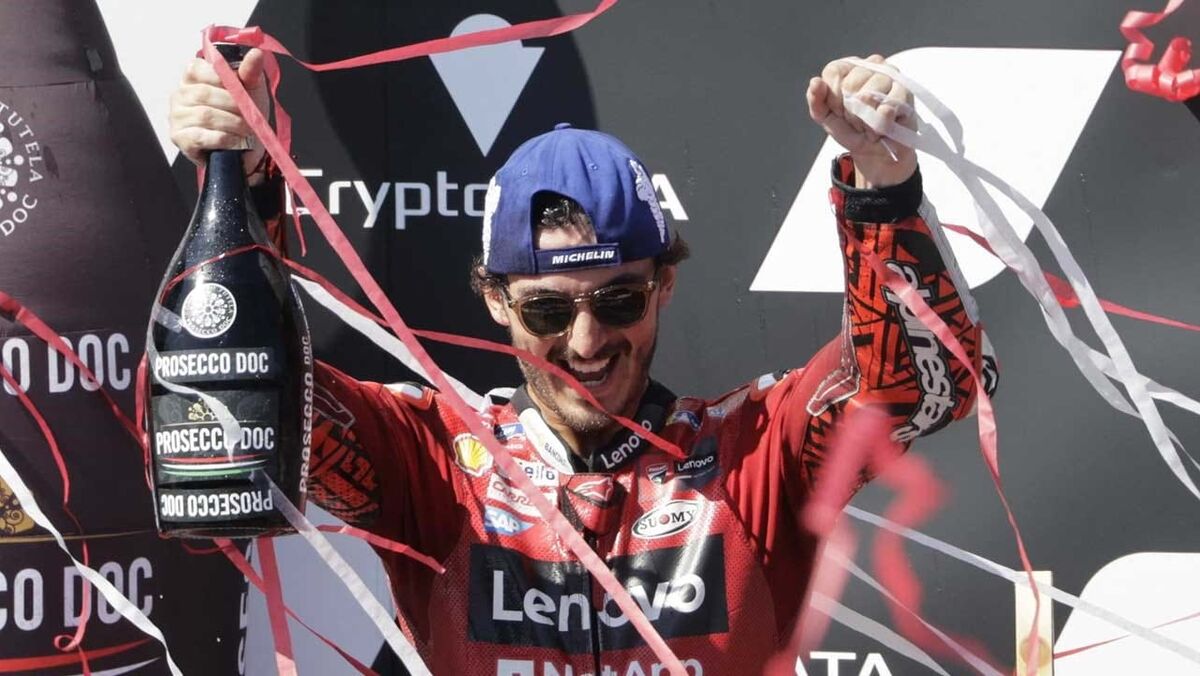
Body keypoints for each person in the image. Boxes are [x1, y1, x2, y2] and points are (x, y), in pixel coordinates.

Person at [170, 49, 997, 676]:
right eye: (548, 310)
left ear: (664, 286)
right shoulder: (436, 464)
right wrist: (244, 183)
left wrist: (882, 190)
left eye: (620, 300)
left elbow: (924, 385)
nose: (586, 341)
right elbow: (236, 399)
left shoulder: (750, 454)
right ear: (495, 301)